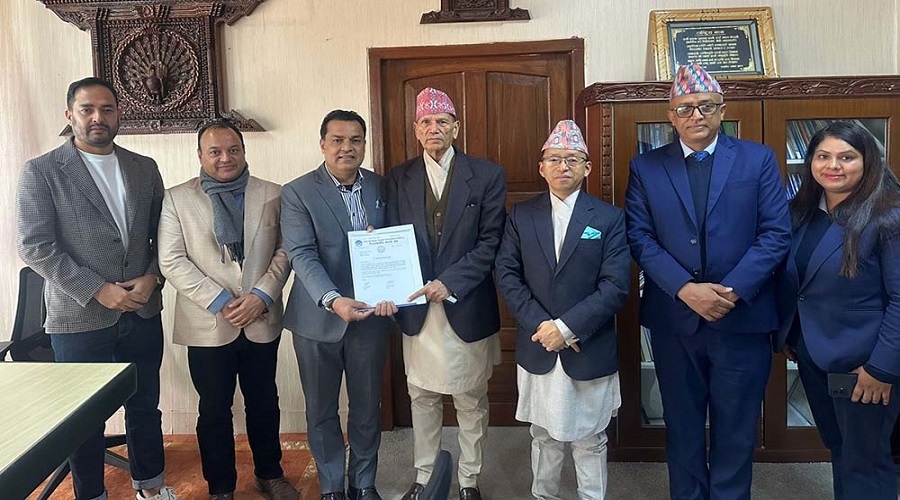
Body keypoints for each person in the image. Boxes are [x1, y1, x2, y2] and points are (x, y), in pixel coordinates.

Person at [624, 63, 791, 500]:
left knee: (736, 428)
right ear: (671, 116)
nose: (696, 115)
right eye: (685, 108)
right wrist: (685, 290)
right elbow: (640, 238)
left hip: (742, 318)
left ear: (722, 110)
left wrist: (730, 291)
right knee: (682, 426)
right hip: (675, 321)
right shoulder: (646, 167)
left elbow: (776, 234)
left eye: (706, 106)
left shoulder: (757, 159)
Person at [16, 77, 176, 500]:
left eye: (106, 109)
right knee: (84, 419)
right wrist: (97, 289)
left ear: (119, 113)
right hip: (79, 317)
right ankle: (91, 495)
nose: (97, 117)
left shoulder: (144, 168)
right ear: (70, 115)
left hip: (141, 309)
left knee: (145, 407)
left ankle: (151, 488)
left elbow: (164, 235)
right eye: (87, 109)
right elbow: (34, 245)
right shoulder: (42, 171)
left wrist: (154, 276)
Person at [157, 119, 298, 500]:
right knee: (214, 410)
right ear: (200, 155)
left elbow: (286, 250)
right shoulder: (176, 198)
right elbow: (171, 260)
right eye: (215, 151)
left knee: (264, 402)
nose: (225, 158)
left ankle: (269, 474)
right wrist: (220, 301)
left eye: (233, 150)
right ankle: (221, 488)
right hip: (207, 321)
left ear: (244, 151)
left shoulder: (273, 193)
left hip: (260, 317)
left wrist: (261, 295)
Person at [495, 120, 630, 499]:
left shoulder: (608, 218)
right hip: (539, 345)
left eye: (572, 159)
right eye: (554, 159)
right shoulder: (521, 215)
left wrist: (567, 328)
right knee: (543, 435)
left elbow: (616, 287)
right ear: (542, 168)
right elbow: (507, 274)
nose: (563, 166)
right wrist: (544, 326)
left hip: (588, 346)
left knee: (590, 439)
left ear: (587, 167)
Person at [387, 87, 507, 500]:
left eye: (442, 121)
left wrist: (451, 281)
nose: (433, 128)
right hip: (417, 305)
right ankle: (424, 475)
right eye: (426, 121)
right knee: (421, 395)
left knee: (470, 397)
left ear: (456, 127)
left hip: (465, 302)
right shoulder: (399, 177)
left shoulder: (487, 175)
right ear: (416, 129)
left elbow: (491, 241)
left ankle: (469, 479)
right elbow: (392, 237)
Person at [775, 121, 900, 500]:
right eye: (823, 156)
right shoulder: (801, 211)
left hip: (866, 365)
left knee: (867, 460)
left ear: (868, 161)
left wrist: (881, 370)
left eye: (847, 157)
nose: (833, 166)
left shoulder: (888, 215)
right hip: (815, 355)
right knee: (841, 447)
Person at [281, 110, 391, 500]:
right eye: (338, 140)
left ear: (364, 144)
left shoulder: (381, 185)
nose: (347, 148)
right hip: (317, 318)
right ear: (323, 144)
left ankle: (363, 484)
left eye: (356, 140)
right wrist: (333, 300)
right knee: (321, 409)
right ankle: (331, 487)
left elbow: (396, 242)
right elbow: (301, 254)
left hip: (371, 317)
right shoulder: (297, 192)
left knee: (367, 407)